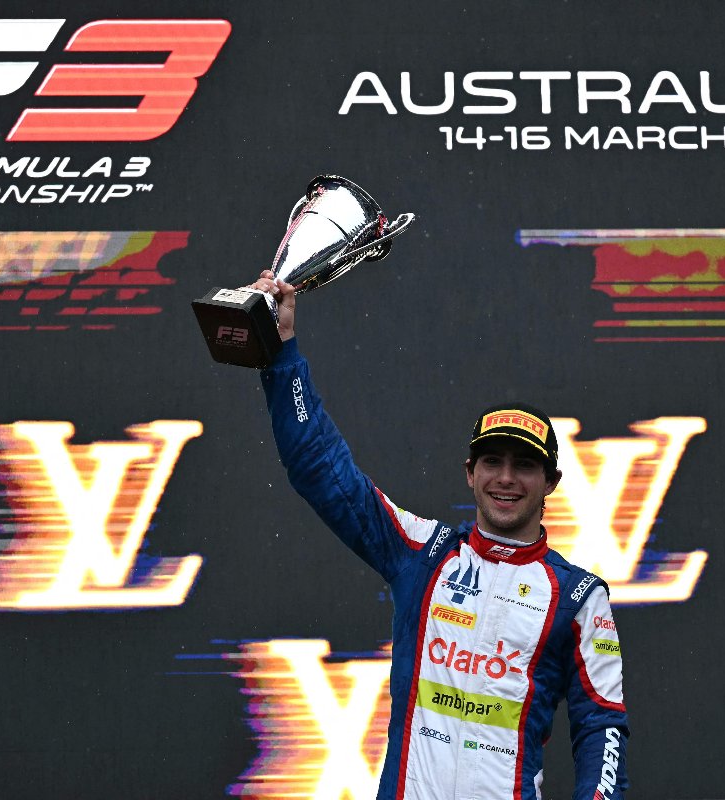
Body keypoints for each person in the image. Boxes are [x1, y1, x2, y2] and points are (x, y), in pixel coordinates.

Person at [253, 270, 629, 800]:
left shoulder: (581, 598)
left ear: (551, 482)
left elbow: (603, 729)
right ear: (468, 473)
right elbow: (317, 467)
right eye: (492, 461)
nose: (505, 478)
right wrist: (281, 351)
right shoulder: (421, 552)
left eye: (524, 465)